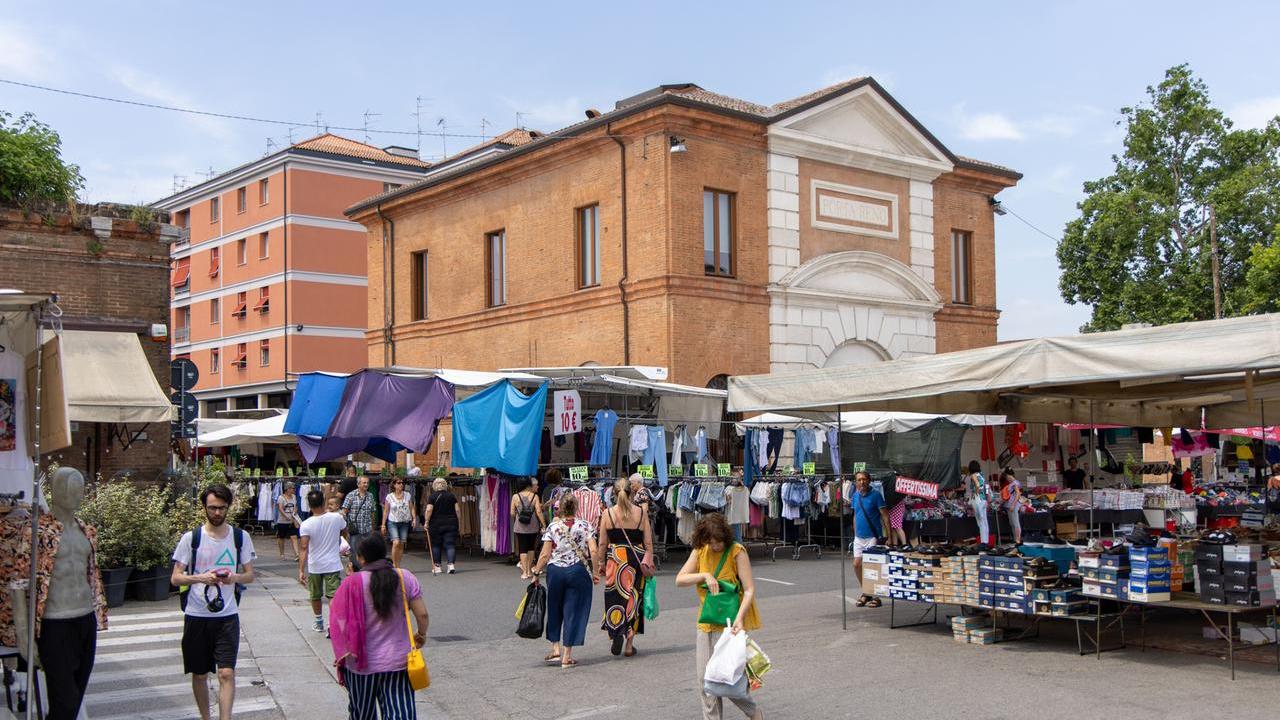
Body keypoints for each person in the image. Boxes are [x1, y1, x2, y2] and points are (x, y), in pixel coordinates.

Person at [171, 484, 257, 720]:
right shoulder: (192, 538)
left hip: (227, 616)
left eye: (221, 508)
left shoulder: (240, 537)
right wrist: (201, 577)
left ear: (228, 507)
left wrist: (234, 578)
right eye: (212, 508)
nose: (217, 513)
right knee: (199, 674)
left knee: (226, 673)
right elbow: (176, 578)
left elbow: (250, 574)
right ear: (204, 508)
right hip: (197, 615)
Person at [329, 534, 429, 720]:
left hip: (360, 664)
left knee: (362, 714)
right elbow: (422, 614)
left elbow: (337, 618)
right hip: (398, 662)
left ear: (360, 558)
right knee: (400, 714)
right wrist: (421, 634)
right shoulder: (403, 576)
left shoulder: (352, 583)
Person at [675, 513, 762, 720]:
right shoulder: (700, 550)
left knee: (728, 679)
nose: (715, 547)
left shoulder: (736, 551)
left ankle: (753, 711)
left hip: (732, 624)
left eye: (718, 542)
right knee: (706, 681)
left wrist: (740, 619)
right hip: (706, 623)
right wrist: (704, 575)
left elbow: (749, 589)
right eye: (711, 542)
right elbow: (680, 579)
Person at [531, 495, 598, 668]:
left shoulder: (553, 527)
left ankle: (555, 648)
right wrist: (596, 571)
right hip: (578, 571)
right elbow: (594, 550)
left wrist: (536, 572)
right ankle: (567, 655)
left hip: (556, 572)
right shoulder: (585, 525)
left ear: (560, 509)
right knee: (573, 610)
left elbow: (545, 554)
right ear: (576, 508)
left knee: (555, 607)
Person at [596, 477, 652, 657]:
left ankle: (616, 631)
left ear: (614, 493)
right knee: (633, 599)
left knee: (615, 597)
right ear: (632, 492)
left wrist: (600, 564)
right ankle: (629, 644)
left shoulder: (608, 514)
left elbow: (602, 543)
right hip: (637, 558)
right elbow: (648, 543)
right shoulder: (641, 514)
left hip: (616, 558)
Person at [300, 489, 348, 634]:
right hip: (333, 563)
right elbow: (345, 531)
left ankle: (319, 621)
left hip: (315, 565)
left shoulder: (306, 524)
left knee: (315, 595)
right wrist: (340, 541)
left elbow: (303, 548)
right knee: (333, 595)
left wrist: (301, 570)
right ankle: (331, 624)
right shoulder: (337, 518)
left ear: (309, 505)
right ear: (324, 502)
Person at [848, 472, 888, 608]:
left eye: (864, 479)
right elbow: (855, 516)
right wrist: (855, 532)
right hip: (859, 537)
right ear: (856, 482)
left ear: (869, 481)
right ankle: (866, 591)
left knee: (872, 567)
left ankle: (876, 596)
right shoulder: (855, 496)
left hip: (872, 536)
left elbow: (885, 516)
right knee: (857, 565)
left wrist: (888, 537)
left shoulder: (876, 495)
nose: (862, 482)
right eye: (859, 480)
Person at [423, 478, 459, 575]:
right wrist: (457, 520)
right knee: (450, 544)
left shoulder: (432, 497)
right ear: (445, 485)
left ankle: (437, 566)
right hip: (451, 523)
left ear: (434, 486)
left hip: (436, 524)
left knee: (436, 545)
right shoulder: (452, 496)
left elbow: (429, 510)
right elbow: (457, 510)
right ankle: (451, 565)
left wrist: (426, 521)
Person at [342, 477, 379, 572]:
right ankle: (354, 568)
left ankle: (364, 568)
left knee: (367, 550)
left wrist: (373, 526)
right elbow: (344, 512)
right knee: (354, 550)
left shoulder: (370, 495)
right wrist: (344, 528)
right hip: (355, 529)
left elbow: (373, 511)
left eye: (367, 483)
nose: (366, 485)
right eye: (364, 483)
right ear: (358, 484)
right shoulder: (351, 495)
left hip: (367, 528)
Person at [511, 477, 545, 580]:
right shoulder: (535, 496)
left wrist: (518, 514)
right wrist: (543, 524)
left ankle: (525, 572)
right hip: (533, 525)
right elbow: (538, 512)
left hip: (520, 526)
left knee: (522, 548)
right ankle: (530, 571)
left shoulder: (515, 497)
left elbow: (512, 513)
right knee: (531, 547)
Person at [381, 478, 415, 569]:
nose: (401, 484)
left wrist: (414, 518)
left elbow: (411, 507)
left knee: (401, 544)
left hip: (405, 522)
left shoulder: (407, 495)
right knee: (396, 542)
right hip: (393, 522)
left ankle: (398, 565)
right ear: (394, 485)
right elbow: (386, 511)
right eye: (399, 483)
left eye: (402, 483)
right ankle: (394, 564)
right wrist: (383, 524)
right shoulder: (389, 496)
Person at [966, 460, 993, 545]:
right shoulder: (981, 476)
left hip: (978, 500)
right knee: (985, 521)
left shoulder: (973, 475)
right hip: (984, 499)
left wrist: (976, 493)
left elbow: (977, 485)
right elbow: (987, 487)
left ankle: (983, 542)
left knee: (980, 522)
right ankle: (986, 541)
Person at [276, 482, 301, 560]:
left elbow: (295, 506)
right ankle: (282, 554)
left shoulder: (293, 497)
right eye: (292, 488)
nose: (293, 490)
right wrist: (286, 516)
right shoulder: (281, 497)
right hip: (282, 521)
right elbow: (280, 508)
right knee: (281, 538)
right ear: (287, 489)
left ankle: (297, 554)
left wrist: (294, 513)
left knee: (294, 537)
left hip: (292, 521)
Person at [999, 468, 1023, 545]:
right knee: (1012, 523)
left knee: (1015, 522)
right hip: (1009, 506)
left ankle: (1018, 539)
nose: (1007, 479)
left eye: (1007, 477)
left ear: (1009, 475)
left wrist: (1013, 504)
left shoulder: (1015, 483)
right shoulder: (1011, 484)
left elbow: (1018, 494)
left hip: (1013, 506)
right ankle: (1015, 538)